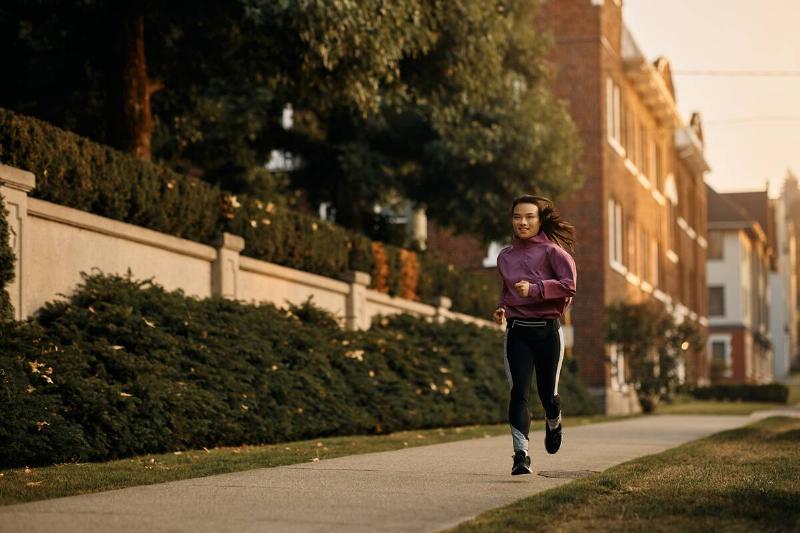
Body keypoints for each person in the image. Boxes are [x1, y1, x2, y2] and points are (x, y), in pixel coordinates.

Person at [493, 194, 577, 475]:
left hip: (548, 333)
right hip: (517, 333)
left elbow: (569, 286)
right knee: (518, 393)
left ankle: (554, 420)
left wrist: (538, 288)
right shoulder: (505, 256)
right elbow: (508, 290)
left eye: (529, 216)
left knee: (547, 395)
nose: (522, 222)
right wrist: (502, 308)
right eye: (517, 216)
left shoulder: (554, 253)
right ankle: (521, 456)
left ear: (540, 220)